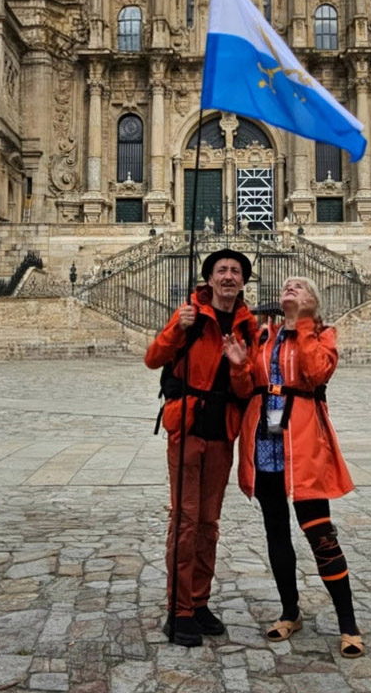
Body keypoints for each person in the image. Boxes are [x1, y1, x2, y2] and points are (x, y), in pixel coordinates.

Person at [226, 276, 364, 659]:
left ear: (313, 302)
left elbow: (315, 373)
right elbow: (245, 390)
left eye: (300, 287)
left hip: (303, 446)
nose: (290, 287)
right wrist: (239, 367)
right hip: (265, 443)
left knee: (320, 534)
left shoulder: (323, 335)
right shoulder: (263, 338)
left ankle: (348, 624)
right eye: (287, 285)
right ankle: (290, 611)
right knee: (276, 532)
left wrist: (302, 324)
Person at [144, 248, 257, 648]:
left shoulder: (247, 326)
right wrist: (177, 328)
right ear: (209, 279)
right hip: (187, 428)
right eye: (221, 270)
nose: (229, 276)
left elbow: (246, 390)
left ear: (244, 281)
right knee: (186, 520)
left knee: (209, 522)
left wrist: (241, 364)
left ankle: (199, 600)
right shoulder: (189, 314)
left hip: (223, 433)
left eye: (236, 271)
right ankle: (179, 611)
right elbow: (152, 358)